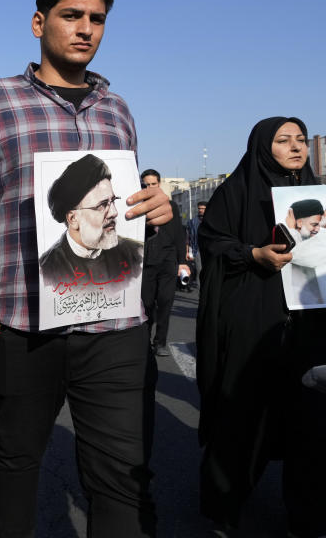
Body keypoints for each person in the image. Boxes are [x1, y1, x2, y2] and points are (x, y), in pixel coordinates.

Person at [0, 0, 173, 537]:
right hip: (24, 321)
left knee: (121, 474)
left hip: (115, 323)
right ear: (38, 23)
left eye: (97, 19)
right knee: (16, 460)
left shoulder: (117, 110)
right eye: (72, 16)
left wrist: (154, 206)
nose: (86, 29)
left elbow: (124, 204)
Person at [196, 117, 326, 537]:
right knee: (244, 410)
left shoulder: (317, 197)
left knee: (311, 419)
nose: (296, 147)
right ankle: (225, 501)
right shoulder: (235, 193)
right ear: (261, 147)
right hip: (255, 317)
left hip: (309, 322)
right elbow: (213, 243)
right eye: (283, 140)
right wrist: (253, 253)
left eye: (301, 140)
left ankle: (306, 516)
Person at [38, 153, 144, 289]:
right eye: (102, 205)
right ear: (73, 219)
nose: (114, 212)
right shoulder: (47, 270)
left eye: (113, 201)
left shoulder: (134, 254)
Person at [139, 169, 189, 356]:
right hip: (146, 263)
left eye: (153, 184)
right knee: (147, 304)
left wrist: (182, 262)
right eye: (146, 184)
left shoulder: (171, 206)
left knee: (165, 302)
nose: (150, 187)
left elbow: (178, 235)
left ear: (159, 185)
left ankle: (160, 342)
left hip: (168, 261)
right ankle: (144, 340)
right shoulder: (137, 209)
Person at [284, 199, 326, 304]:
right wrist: (292, 230)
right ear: (299, 222)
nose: (317, 229)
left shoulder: (318, 242)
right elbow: (293, 253)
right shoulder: (295, 240)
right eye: (314, 224)